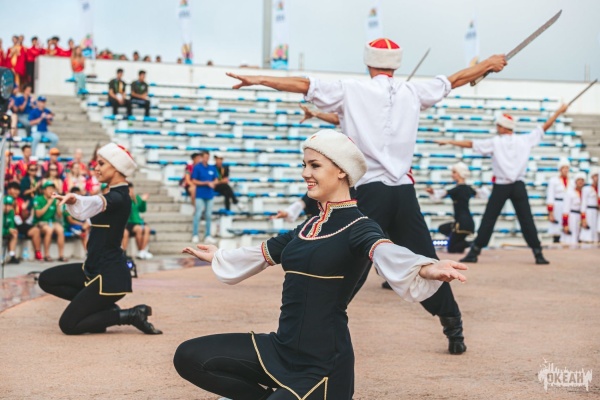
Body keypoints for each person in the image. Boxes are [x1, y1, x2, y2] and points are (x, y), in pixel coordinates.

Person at [226, 38, 504, 354]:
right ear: (396, 63)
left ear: (369, 61)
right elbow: (456, 79)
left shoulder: (351, 89)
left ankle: (314, 328)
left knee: (346, 258)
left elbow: (304, 84)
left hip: (370, 190)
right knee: (426, 256)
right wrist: (488, 64)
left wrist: (258, 79)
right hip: (403, 193)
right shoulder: (413, 92)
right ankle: (454, 328)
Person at [174, 130, 467, 399]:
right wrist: (219, 256)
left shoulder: (360, 226)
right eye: (304, 165)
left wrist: (424, 268)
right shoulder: (308, 226)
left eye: (314, 165)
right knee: (188, 356)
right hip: (280, 349)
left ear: (341, 171)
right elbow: (262, 253)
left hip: (322, 368)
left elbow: (383, 250)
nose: (305, 173)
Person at [37, 143, 162, 335]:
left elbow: (97, 202)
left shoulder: (120, 197)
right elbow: (95, 204)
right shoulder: (111, 195)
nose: (96, 168)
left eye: (101, 164)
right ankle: (102, 310)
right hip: (92, 268)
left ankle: (130, 315)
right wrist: (76, 201)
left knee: (68, 325)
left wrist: (76, 199)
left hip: (110, 275)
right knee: (46, 279)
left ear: (117, 167)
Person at [437, 105, 569, 264]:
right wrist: (558, 111)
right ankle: (538, 253)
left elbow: (471, 144)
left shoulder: (496, 142)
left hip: (501, 186)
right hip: (518, 185)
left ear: (503, 127)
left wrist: (449, 141)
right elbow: (545, 126)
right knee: (526, 220)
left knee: (489, 219)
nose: (497, 127)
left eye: (498, 125)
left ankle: (475, 252)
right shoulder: (524, 140)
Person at [426, 162, 489, 253]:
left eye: (454, 172)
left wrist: (433, 192)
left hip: (461, 224)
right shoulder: (468, 188)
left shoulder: (457, 189)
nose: (452, 175)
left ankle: (472, 243)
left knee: (451, 249)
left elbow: (442, 193)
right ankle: (462, 242)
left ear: (460, 173)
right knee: (444, 229)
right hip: (467, 223)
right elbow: (481, 194)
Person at [7, 181, 43, 261]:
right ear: (9, 190)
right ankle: (12, 256)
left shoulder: (20, 201)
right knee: (13, 231)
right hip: (8, 223)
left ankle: (38, 253)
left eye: (18, 190)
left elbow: (25, 217)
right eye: (14, 189)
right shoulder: (5, 199)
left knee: (36, 230)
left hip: (20, 223)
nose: (16, 191)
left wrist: (24, 210)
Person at [33, 181, 66, 262]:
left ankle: (61, 255)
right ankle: (46, 255)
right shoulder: (38, 199)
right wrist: (48, 203)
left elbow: (59, 215)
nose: (51, 190)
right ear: (44, 190)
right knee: (49, 230)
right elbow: (38, 215)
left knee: (61, 230)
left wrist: (58, 205)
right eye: (49, 188)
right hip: (40, 222)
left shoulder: (54, 200)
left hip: (52, 222)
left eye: (53, 189)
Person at [191, 151, 217, 244]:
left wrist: (213, 183)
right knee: (198, 214)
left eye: (208, 157)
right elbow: (194, 180)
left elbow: (216, 179)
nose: (206, 159)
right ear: (202, 157)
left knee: (208, 215)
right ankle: (195, 234)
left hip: (209, 194)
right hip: (200, 194)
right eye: (205, 157)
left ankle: (207, 235)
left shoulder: (212, 168)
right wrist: (206, 183)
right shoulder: (197, 167)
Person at [122, 182, 153, 260]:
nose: (130, 190)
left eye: (131, 188)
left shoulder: (136, 198)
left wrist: (143, 201)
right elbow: (129, 210)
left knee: (147, 229)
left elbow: (142, 209)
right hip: (129, 222)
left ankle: (142, 251)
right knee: (139, 229)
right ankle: (141, 251)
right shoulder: (124, 199)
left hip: (137, 221)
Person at [546, 158, 572, 243]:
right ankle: (556, 241)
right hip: (557, 204)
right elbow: (550, 196)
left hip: (568, 205)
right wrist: (550, 212)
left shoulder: (571, 181)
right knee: (556, 228)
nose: (565, 170)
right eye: (563, 168)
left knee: (567, 226)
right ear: (560, 169)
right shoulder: (554, 180)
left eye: (567, 168)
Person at [561, 172, 587, 246]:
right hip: (572, 217)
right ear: (575, 181)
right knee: (570, 238)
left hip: (580, 217)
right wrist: (565, 224)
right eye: (579, 180)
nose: (580, 182)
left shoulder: (585, 192)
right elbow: (566, 208)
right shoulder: (570, 192)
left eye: (582, 180)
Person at [580, 168, 599, 243]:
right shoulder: (586, 189)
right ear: (592, 177)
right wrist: (583, 219)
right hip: (589, 212)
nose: (597, 178)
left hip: (597, 213)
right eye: (595, 176)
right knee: (587, 235)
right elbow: (583, 204)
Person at [2, 196, 20, 264]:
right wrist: (7, 231)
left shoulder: (11, 212)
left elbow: (11, 225)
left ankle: (12, 255)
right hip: (2, 231)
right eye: (6, 205)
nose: (8, 207)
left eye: (10, 205)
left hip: (5, 231)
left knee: (14, 233)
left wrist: (12, 230)